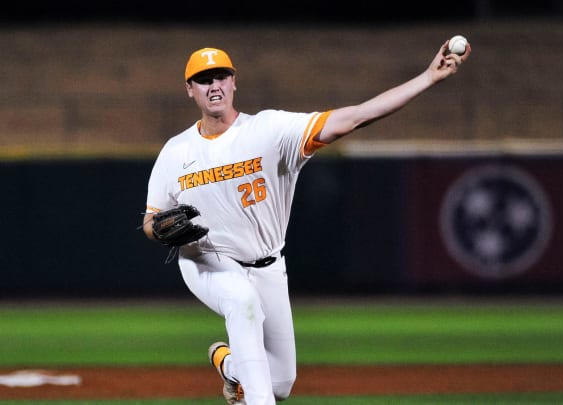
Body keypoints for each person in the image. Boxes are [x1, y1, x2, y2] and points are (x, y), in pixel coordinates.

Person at [141, 38, 471, 404]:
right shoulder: (176, 151)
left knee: (281, 381)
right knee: (242, 300)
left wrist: (427, 77)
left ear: (234, 82)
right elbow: (151, 219)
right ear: (190, 90)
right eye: (204, 79)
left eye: (220, 76)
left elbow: (355, 116)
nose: (214, 85)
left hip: (268, 264)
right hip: (206, 261)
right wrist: (157, 230)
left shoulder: (269, 131)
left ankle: (227, 363)